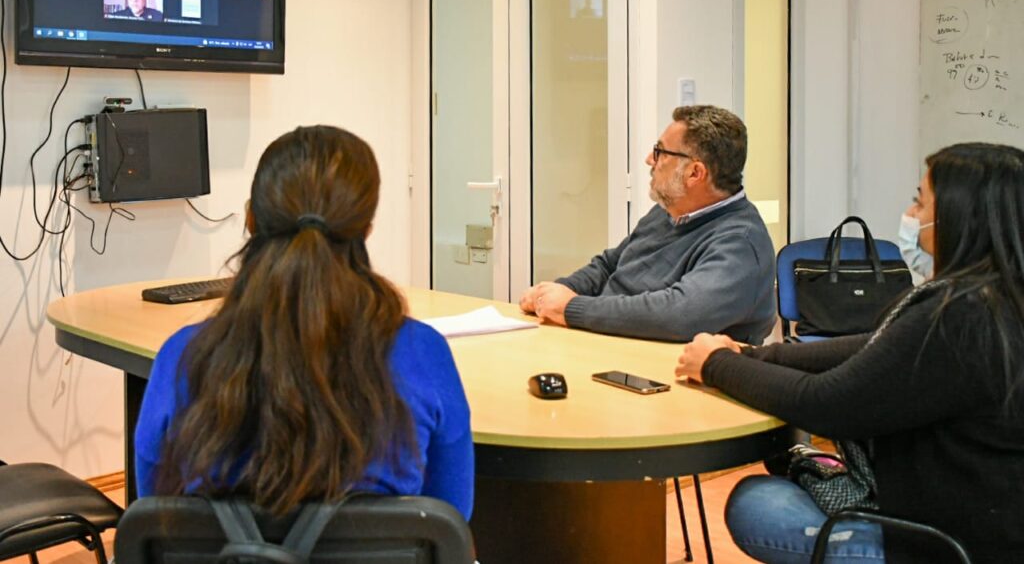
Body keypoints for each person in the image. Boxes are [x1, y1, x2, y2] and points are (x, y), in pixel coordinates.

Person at [675, 142, 1024, 564]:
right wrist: (751, 355)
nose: (911, 216)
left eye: (920, 202)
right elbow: (873, 348)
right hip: (995, 526)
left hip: (947, 546)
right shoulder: (999, 300)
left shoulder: (958, 317)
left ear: (957, 218)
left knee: (756, 503)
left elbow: (825, 402)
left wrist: (716, 364)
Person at [134, 126, 474, 520]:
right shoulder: (425, 352)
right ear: (366, 229)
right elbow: (450, 518)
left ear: (250, 218)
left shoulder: (183, 356)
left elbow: (156, 513)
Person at [519, 104, 776, 343]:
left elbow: (679, 314)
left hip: (672, 377)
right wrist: (559, 291)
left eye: (660, 152)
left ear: (695, 173)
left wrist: (571, 308)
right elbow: (610, 265)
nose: (649, 160)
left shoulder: (740, 242)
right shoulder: (668, 210)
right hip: (607, 344)